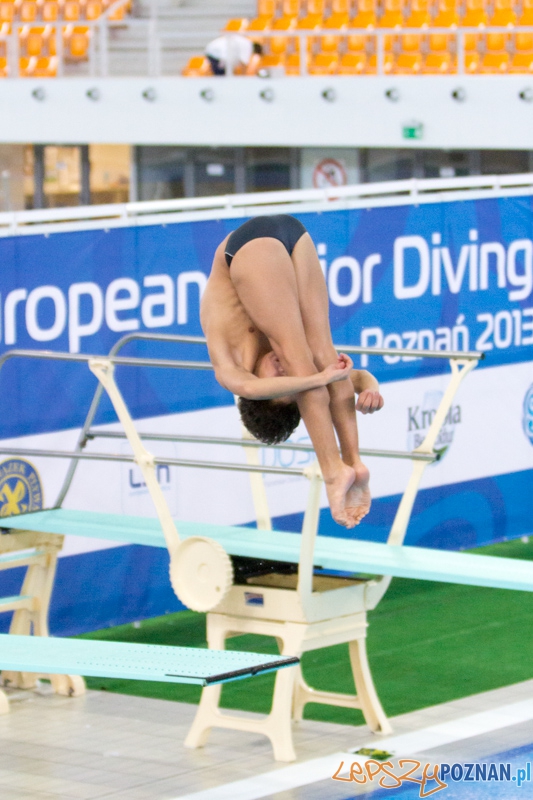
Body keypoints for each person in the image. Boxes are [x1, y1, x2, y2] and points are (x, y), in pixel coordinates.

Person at [200, 215, 384, 529]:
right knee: (325, 356)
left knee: (302, 360)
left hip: (248, 246)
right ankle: (353, 461)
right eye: (291, 386)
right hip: (295, 235)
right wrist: (371, 387)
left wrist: (312, 379)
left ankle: (333, 472)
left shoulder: (231, 367)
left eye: (280, 380)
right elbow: (352, 375)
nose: (283, 369)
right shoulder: (297, 372)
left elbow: (257, 389)